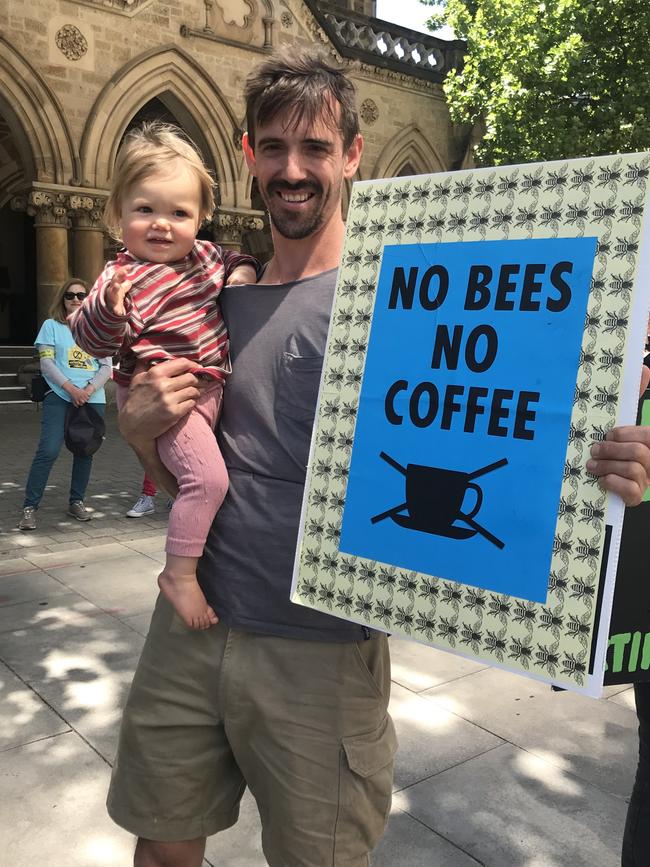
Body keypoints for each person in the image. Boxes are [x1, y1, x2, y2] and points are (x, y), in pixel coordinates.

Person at [106, 49, 650, 867]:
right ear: (248, 155)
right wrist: (135, 424)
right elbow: (173, 463)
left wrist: (609, 460)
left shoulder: (407, 297)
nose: (295, 170)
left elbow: (508, 421)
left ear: (353, 154)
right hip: (188, 627)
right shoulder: (212, 295)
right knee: (161, 849)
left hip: (322, 651)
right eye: (275, 148)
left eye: (317, 148)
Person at [70, 123, 259, 629]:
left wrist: (244, 273)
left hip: (211, 390)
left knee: (212, 478)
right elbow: (89, 339)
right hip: (170, 395)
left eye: (179, 213)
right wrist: (110, 310)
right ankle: (178, 573)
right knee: (207, 481)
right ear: (117, 214)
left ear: (201, 218)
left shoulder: (207, 258)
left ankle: (202, 559)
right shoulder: (120, 277)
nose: (162, 225)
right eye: (145, 209)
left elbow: (236, 258)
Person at [18, 279, 112, 531]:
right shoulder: (51, 326)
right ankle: (30, 506)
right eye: (70, 295)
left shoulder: (98, 330)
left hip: (92, 397)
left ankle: (77, 501)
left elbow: (106, 366)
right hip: (59, 395)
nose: (75, 299)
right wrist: (70, 388)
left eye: (82, 295)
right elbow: (47, 363)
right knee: (48, 450)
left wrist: (88, 389)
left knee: (85, 450)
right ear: (62, 298)